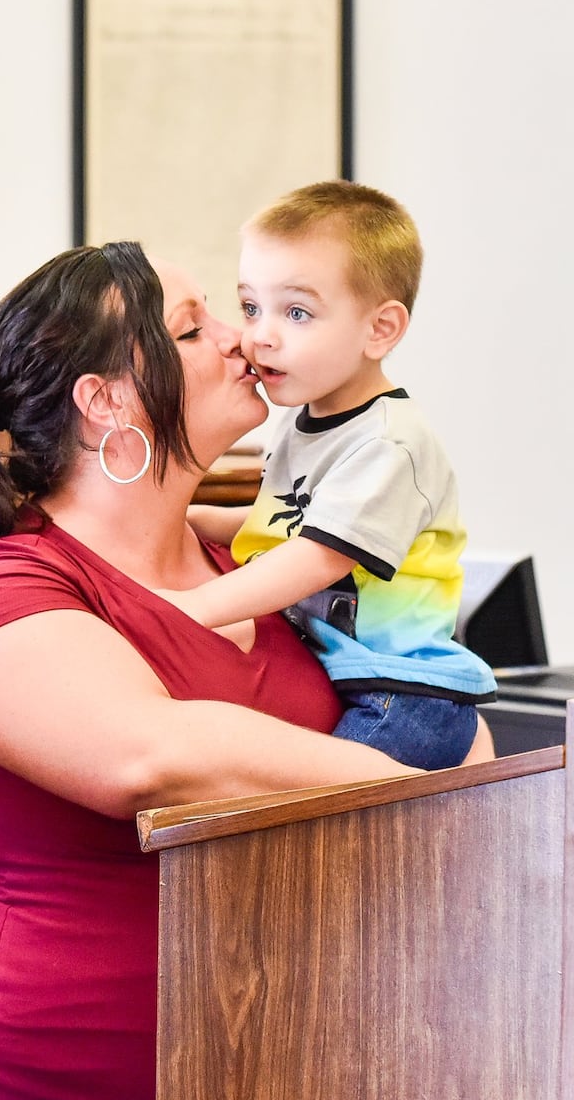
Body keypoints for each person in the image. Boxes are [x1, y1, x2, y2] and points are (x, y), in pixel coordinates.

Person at [0, 240, 492, 1100]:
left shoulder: (252, 576)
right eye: (195, 327)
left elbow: (435, 708)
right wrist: (412, 791)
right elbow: (153, 757)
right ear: (105, 399)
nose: (243, 340)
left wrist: (471, 782)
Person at [159, 181, 495, 769]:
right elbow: (287, 519)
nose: (259, 335)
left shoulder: (389, 443)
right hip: (351, 677)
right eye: (250, 307)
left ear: (380, 330)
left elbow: (317, 557)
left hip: (404, 694)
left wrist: (192, 609)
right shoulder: (307, 421)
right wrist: (184, 519)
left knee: (325, 824)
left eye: (296, 312)